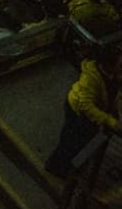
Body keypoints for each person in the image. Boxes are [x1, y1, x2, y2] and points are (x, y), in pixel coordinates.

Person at [46, 49, 119, 178]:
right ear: (108, 64)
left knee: (82, 141)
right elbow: (85, 106)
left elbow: (113, 94)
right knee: (71, 142)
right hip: (78, 112)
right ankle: (56, 167)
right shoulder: (90, 78)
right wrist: (109, 120)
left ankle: (73, 166)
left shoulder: (113, 75)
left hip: (94, 112)